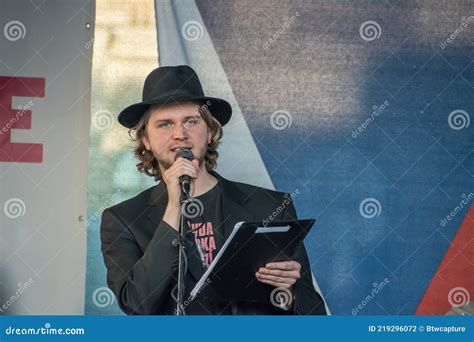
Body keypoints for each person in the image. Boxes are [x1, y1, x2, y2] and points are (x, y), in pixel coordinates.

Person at [100, 65, 326, 315]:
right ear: (146, 141)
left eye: (190, 121)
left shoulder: (270, 206)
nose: (179, 134)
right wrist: (174, 207)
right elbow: (138, 303)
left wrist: (290, 291)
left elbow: (315, 314)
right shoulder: (123, 220)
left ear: (209, 132)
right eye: (165, 124)